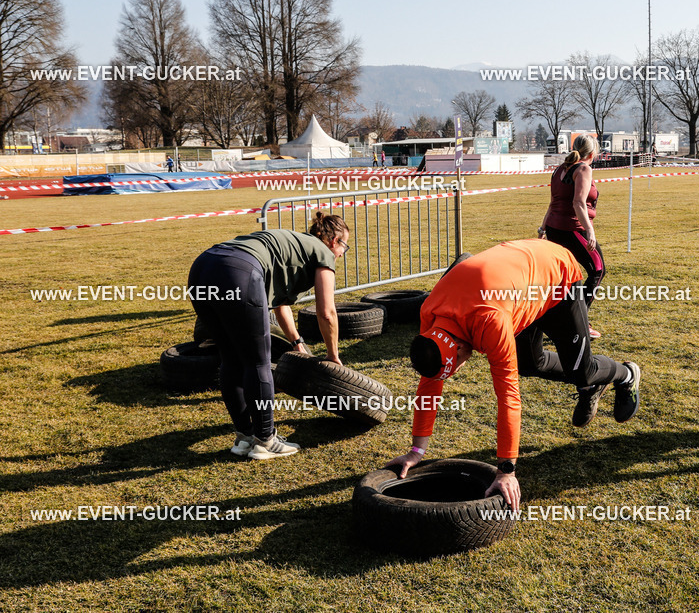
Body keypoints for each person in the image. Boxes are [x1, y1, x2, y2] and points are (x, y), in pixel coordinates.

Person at [385, 239, 641, 511]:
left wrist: (506, 470)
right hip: (516, 284)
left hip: (556, 275)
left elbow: (508, 395)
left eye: (456, 365)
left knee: (582, 372)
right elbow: (429, 383)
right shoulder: (430, 313)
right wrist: (416, 451)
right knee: (530, 363)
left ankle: (626, 374)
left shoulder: (489, 321)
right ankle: (591, 386)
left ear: (458, 347)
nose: (457, 370)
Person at [188, 212, 350, 459]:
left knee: (230, 358)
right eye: (344, 247)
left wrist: (296, 342)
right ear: (334, 241)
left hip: (202, 268)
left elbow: (280, 304)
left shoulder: (295, 245)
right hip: (238, 272)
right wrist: (333, 355)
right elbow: (326, 312)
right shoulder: (323, 252)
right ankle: (265, 441)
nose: (342, 254)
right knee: (257, 362)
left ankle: (244, 437)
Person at [538, 134, 605, 339]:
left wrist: (543, 228)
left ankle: (558, 319)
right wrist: (589, 230)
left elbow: (553, 202)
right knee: (598, 269)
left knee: (565, 277)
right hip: (572, 228)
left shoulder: (559, 169)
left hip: (554, 228)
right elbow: (578, 203)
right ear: (592, 153)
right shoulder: (583, 169)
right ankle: (579, 322)